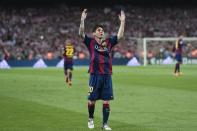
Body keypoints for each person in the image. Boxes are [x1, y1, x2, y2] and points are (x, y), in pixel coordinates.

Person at [79, 9, 125, 130]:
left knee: (106, 101)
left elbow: (120, 36)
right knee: (91, 101)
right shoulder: (90, 42)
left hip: (106, 75)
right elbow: (81, 34)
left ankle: (105, 124)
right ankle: (90, 118)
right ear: (94, 33)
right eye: (99, 30)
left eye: (102, 30)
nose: (101, 32)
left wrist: (123, 22)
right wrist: (82, 20)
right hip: (94, 75)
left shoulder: (109, 42)